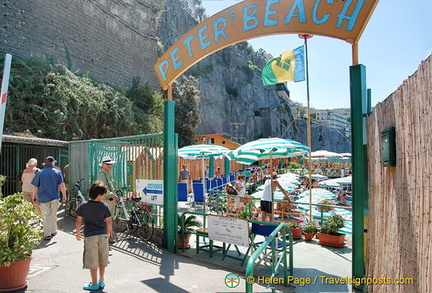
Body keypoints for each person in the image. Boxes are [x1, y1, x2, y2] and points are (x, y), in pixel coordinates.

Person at [75, 181, 112, 291]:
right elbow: (108, 221)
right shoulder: (104, 206)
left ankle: (94, 283)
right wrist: (109, 233)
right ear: (99, 195)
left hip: (90, 236)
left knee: (92, 259)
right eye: (103, 194)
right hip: (103, 235)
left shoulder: (84, 206)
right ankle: (101, 280)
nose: (104, 196)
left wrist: (78, 232)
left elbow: (78, 220)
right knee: (102, 258)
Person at [31, 156, 67, 240]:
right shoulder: (57, 172)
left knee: (46, 215)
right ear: (53, 163)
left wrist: (33, 195)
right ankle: (54, 230)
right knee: (53, 214)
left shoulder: (40, 173)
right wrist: (64, 195)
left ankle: (47, 234)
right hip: (54, 196)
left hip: (43, 197)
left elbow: (35, 186)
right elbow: (61, 185)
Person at [97, 156, 118, 244]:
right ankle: (107, 238)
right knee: (107, 220)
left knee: (108, 220)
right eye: (107, 164)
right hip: (106, 200)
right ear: (102, 165)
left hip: (110, 200)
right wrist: (112, 195)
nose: (109, 166)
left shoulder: (108, 173)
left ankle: (109, 237)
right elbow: (103, 189)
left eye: (110, 164)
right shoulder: (102, 174)